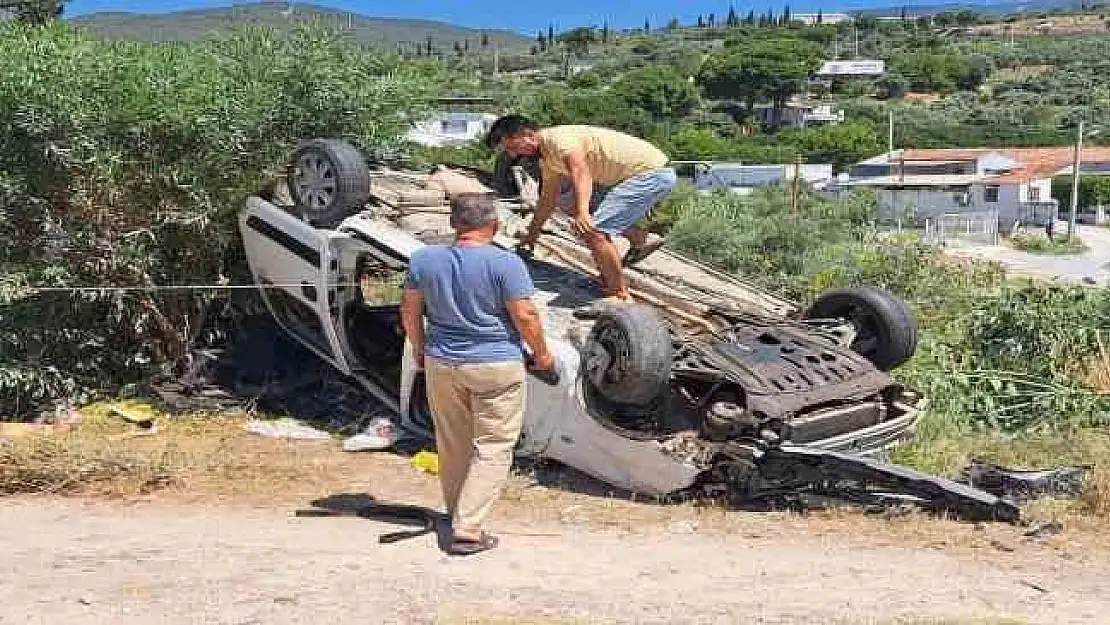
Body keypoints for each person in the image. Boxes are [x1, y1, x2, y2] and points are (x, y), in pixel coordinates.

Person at [399, 192, 555, 556]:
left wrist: (420, 350)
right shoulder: (506, 264)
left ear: (454, 224)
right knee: (494, 447)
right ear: (495, 224)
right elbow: (526, 315)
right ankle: (468, 529)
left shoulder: (423, 260)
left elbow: (409, 312)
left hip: (442, 362)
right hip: (495, 364)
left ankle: (457, 515)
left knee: (452, 443)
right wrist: (543, 357)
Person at [487, 115, 676, 302]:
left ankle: (619, 294)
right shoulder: (548, 158)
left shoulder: (558, 141)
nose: (513, 155)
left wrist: (583, 214)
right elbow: (547, 199)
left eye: (513, 147)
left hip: (649, 174)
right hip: (635, 177)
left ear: (527, 134)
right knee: (580, 214)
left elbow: (581, 172)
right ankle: (630, 246)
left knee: (594, 229)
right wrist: (532, 235)